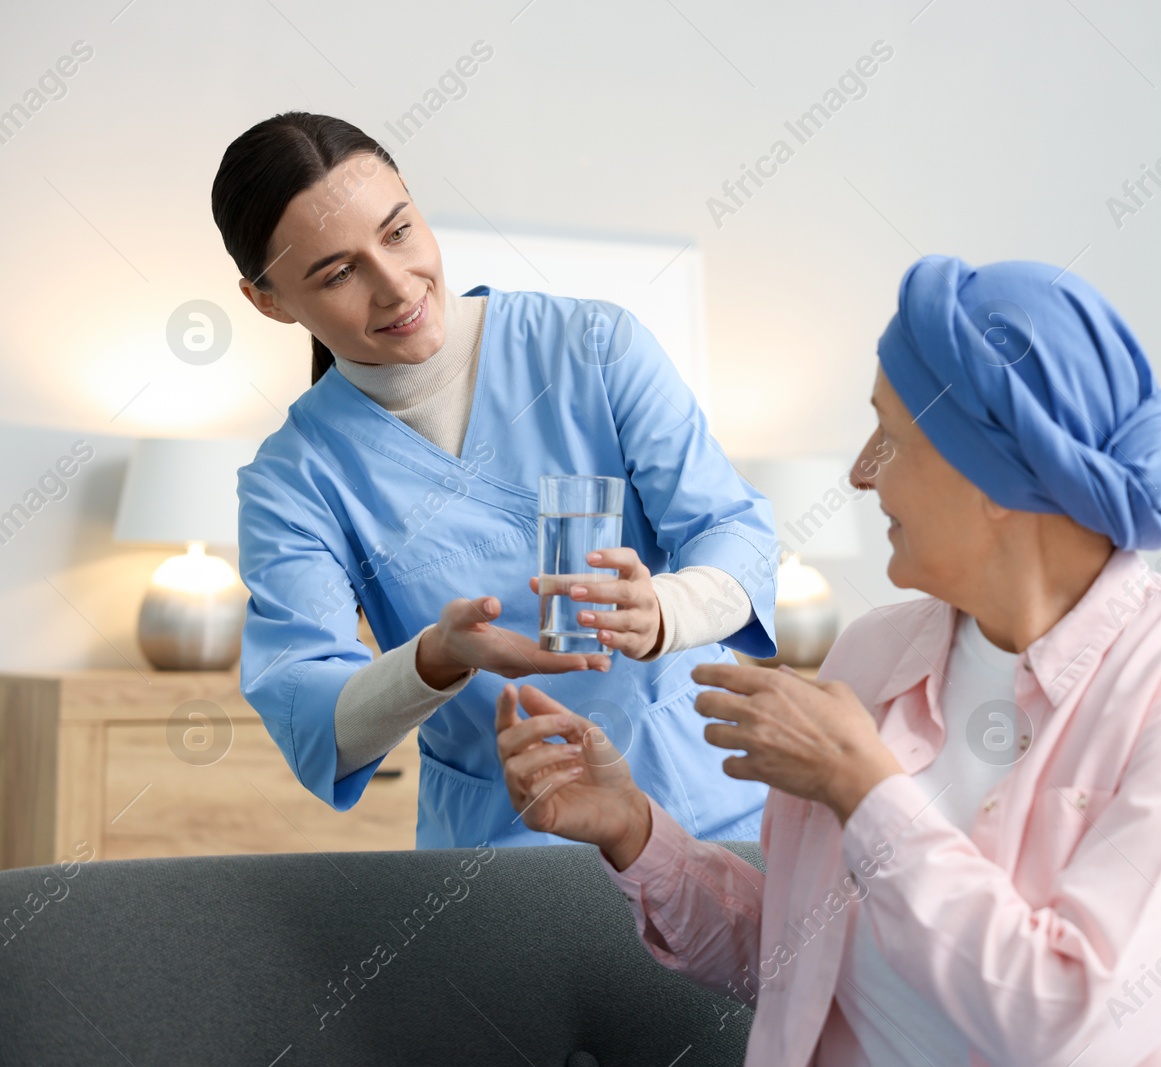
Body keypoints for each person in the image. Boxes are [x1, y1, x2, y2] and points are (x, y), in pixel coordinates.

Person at [494, 254, 1161, 1065]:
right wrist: (635, 830)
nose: (858, 471)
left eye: (889, 434)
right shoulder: (874, 654)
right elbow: (795, 961)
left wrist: (866, 788)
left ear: (996, 476)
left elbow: (1070, 1022)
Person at [211, 111, 777, 849]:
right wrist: (435, 657)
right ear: (269, 301)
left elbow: (740, 537)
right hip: (503, 854)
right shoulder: (293, 480)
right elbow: (314, 718)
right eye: (339, 272)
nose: (394, 286)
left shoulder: (595, 349)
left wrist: (661, 608)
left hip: (710, 807)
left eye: (399, 231)